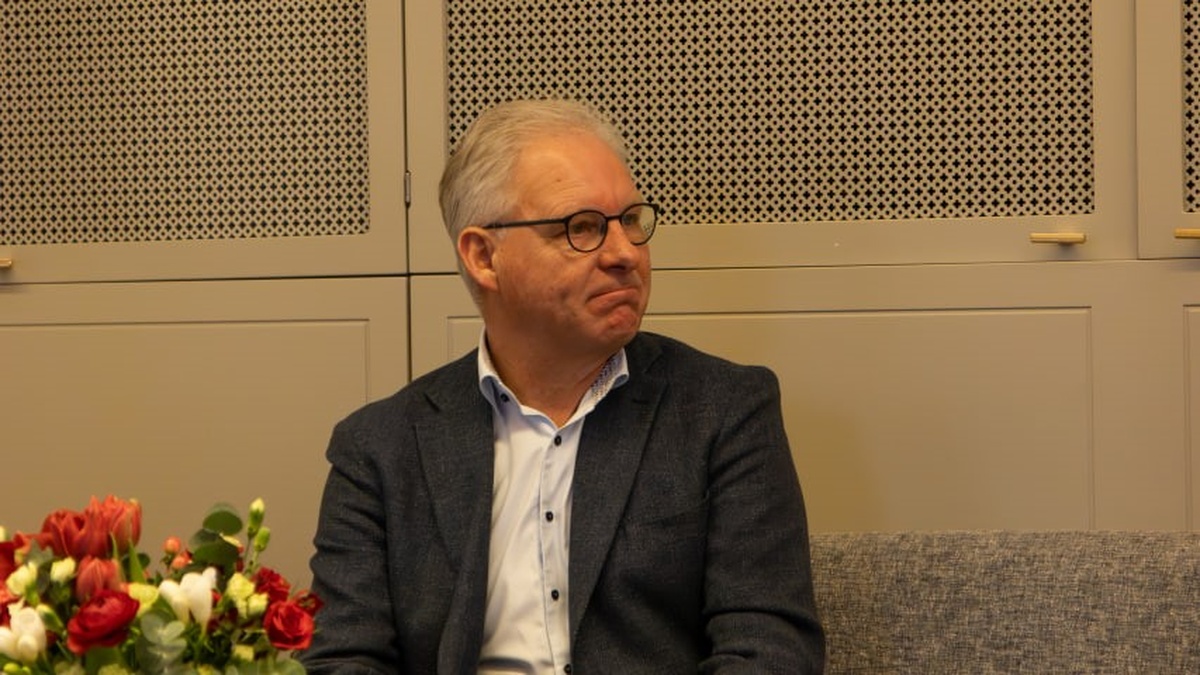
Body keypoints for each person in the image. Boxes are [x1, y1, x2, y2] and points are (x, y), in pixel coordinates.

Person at [301, 99, 825, 674]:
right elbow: (344, 659)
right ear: (483, 256)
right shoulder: (379, 447)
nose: (625, 254)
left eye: (631, 221)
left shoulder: (723, 411)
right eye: (583, 228)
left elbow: (769, 650)